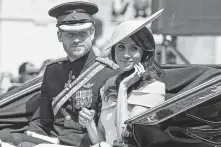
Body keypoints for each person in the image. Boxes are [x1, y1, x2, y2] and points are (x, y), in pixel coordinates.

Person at [0, 1, 120, 147]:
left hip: (84, 143)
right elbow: (41, 120)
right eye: (70, 34)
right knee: (7, 137)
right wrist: (30, 137)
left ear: (92, 33)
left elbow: (108, 132)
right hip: (50, 141)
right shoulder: (52, 71)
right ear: (59, 35)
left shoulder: (109, 73)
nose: (76, 40)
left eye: (82, 33)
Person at [89, 9, 165, 146]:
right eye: (121, 47)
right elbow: (101, 140)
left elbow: (123, 139)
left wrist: (123, 88)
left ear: (145, 52)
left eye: (134, 48)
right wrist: (89, 124)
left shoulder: (154, 88)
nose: (125, 54)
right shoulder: (109, 85)